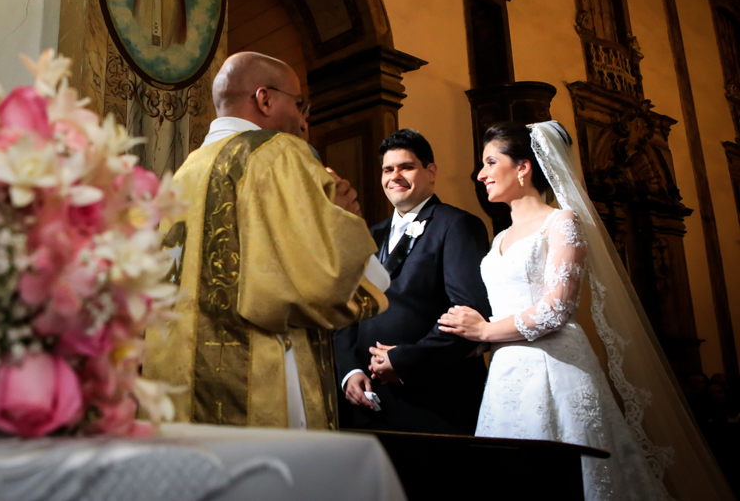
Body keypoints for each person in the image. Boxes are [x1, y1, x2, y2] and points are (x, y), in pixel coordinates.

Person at [437, 121, 734, 500]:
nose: (481, 174)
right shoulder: (499, 238)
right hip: (506, 374)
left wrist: (483, 332)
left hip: (554, 367)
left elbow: (556, 309)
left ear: (523, 167)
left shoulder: (561, 222)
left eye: (491, 162)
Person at [143, 51, 390, 430]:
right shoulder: (278, 152)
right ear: (265, 99)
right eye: (299, 103)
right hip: (263, 372)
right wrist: (344, 221)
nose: (302, 120)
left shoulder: (181, 174)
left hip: (177, 382)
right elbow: (325, 283)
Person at [334, 129, 492, 435]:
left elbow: (469, 312)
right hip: (367, 401)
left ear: (430, 172)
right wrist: (349, 370)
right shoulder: (368, 235)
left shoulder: (457, 225)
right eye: (387, 169)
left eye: (406, 167)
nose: (395, 176)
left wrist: (405, 361)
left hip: (433, 399)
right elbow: (347, 308)